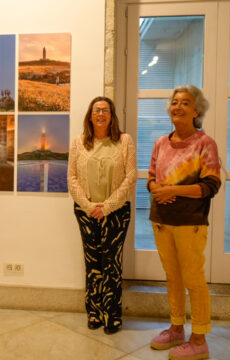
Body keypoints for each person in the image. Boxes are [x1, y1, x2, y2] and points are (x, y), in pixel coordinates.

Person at [147, 85, 220, 360]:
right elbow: (151, 178)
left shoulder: (205, 143)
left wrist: (172, 191)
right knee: (173, 278)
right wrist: (156, 189)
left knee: (194, 279)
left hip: (190, 222)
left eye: (185, 103)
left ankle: (199, 339)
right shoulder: (160, 143)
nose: (177, 107)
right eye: (174, 102)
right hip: (162, 221)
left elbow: (211, 185)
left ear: (196, 110)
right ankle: (176, 329)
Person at [68, 96, 137, 334]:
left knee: (112, 264)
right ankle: (94, 312)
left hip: (117, 213)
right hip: (86, 213)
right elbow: (72, 178)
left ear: (112, 115)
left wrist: (106, 207)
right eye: (96, 110)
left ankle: (113, 314)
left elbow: (131, 177)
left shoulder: (124, 141)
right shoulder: (79, 143)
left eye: (105, 110)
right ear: (90, 115)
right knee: (93, 262)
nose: (100, 114)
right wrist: (89, 206)